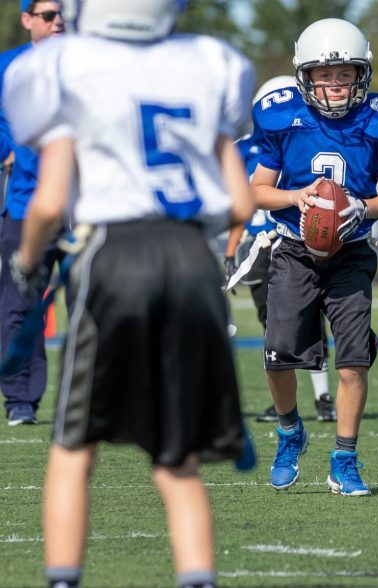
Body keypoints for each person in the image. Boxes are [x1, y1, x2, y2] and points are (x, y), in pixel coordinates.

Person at [2, 0, 256, 586]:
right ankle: (198, 578)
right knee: (177, 456)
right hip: (193, 258)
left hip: (113, 253)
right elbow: (240, 204)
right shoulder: (209, 61)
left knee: (73, 444)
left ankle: (63, 578)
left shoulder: (64, 65)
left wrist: (26, 261)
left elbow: (47, 200)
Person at [251, 18, 378, 495]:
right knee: (278, 356)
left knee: (353, 360)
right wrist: (297, 197)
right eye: (324, 75)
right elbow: (257, 191)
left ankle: (345, 457)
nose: (335, 85)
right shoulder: (281, 116)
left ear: (362, 75)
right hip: (294, 251)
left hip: (352, 251)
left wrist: (362, 205)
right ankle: (289, 432)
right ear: (305, 77)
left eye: (344, 75)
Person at [225, 75, 337, 424]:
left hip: (297, 237)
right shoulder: (243, 149)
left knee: (312, 318)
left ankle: (322, 396)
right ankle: (285, 402)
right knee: (274, 327)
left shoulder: (308, 137)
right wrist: (231, 252)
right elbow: (240, 206)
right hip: (259, 244)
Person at [0, 0, 64, 426]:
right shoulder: (7, 67)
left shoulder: (92, 61)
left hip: (88, 205)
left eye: (63, 14)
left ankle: (101, 399)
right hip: (26, 204)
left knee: (102, 304)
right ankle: (21, 399)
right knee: (18, 306)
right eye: (47, 15)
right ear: (26, 20)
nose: (57, 21)